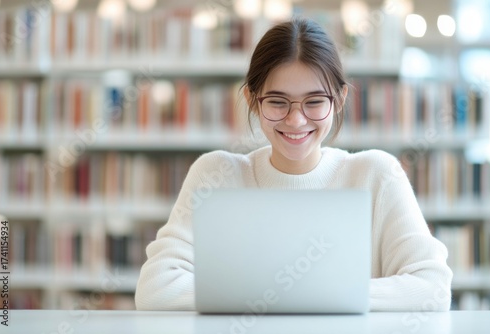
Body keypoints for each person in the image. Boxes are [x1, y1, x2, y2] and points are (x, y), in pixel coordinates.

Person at [135, 17, 453, 311]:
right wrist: (308, 294)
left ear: (339, 99)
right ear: (251, 100)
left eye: (314, 101)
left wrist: (294, 293)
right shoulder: (216, 174)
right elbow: (155, 290)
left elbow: (433, 287)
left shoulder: (376, 174)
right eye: (277, 102)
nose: (296, 120)